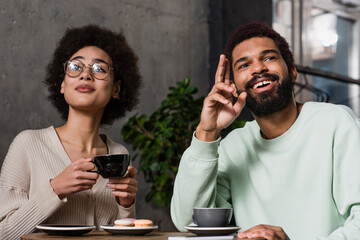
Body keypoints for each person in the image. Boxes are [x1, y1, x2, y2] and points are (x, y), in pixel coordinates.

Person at [170, 22, 360, 239]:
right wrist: (207, 132)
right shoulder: (234, 147)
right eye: (243, 65)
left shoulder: (336, 124)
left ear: (292, 71)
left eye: (269, 58)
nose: (258, 69)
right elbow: (189, 221)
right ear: (234, 87)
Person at [0, 25, 142, 239]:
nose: (85, 74)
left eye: (99, 69)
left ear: (116, 89)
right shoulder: (27, 144)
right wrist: (55, 189)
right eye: (76, 67)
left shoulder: (117, 153)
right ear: (62, 84)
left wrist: (126, 205)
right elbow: (4, 233)